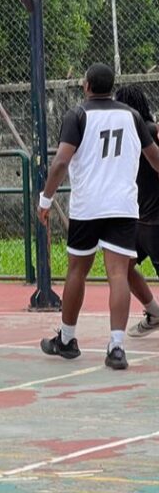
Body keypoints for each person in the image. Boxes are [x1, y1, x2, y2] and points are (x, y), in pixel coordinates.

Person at [39, 64, 159, 370]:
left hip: (88, 207)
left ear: (87, 85)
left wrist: (45, 199)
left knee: (77, 271)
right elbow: (155, 158)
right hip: (123, 207)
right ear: (111, 86)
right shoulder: (132, 117)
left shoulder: (77, 115)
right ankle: (116, 347)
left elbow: (60, 162)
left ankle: (67, 339)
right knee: (118, 274)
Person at [113, 85, 159, 337]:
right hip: (138, 218)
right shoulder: (124, 133)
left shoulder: (149, 130)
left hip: (154, 220)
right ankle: (154, 312)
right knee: (122, 267)